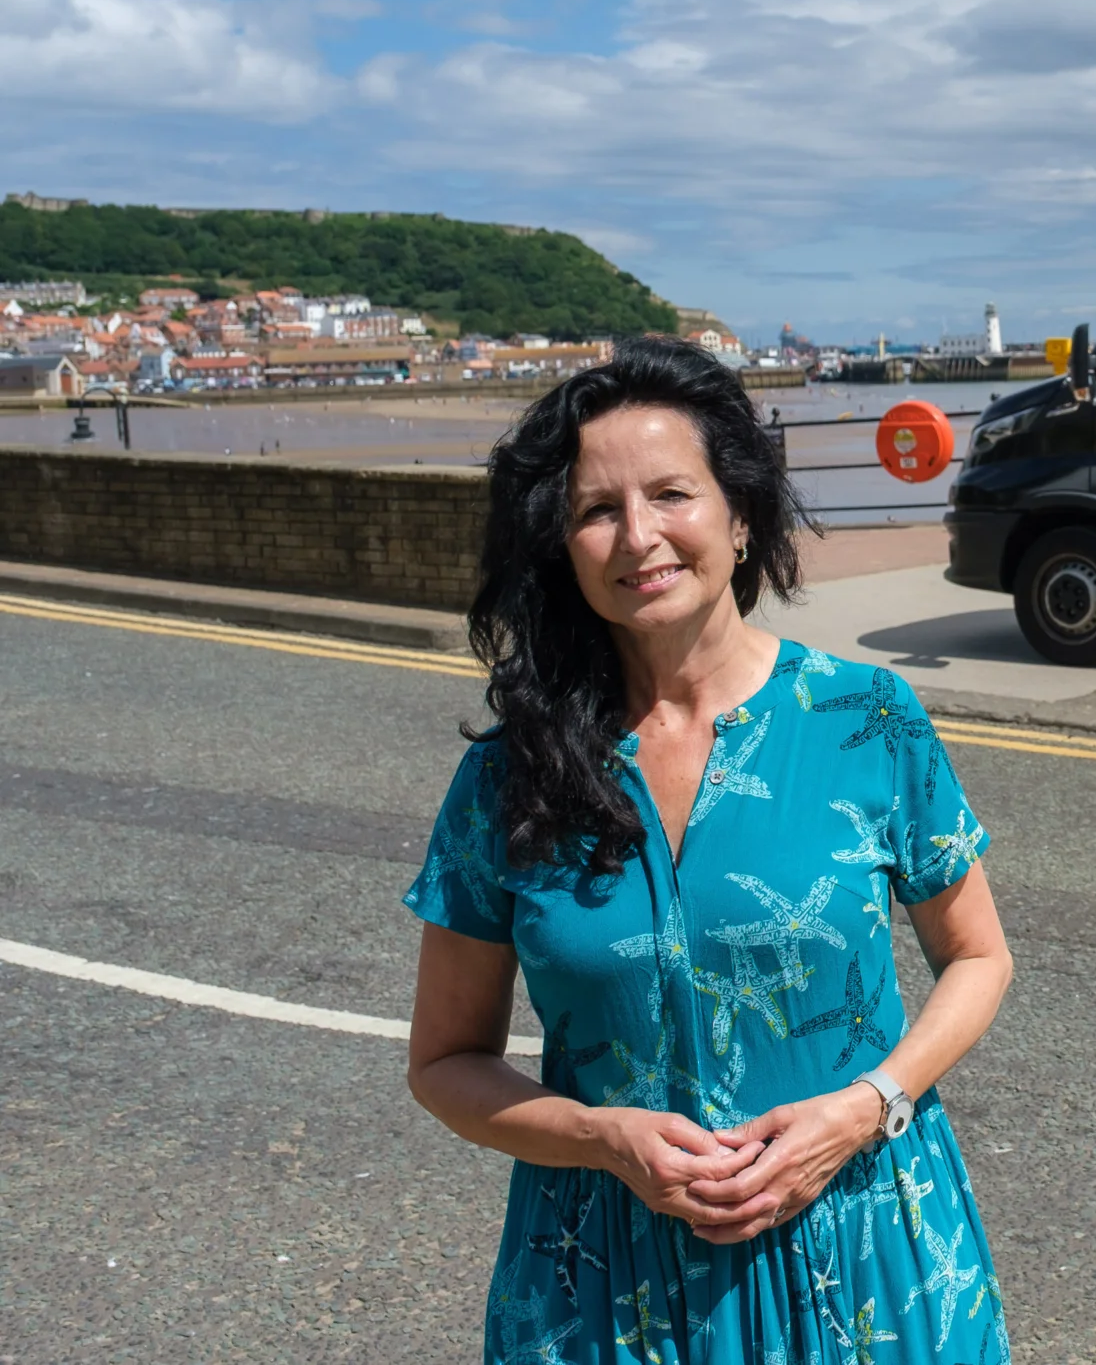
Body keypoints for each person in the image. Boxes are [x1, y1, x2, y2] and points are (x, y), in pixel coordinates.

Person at [405, 335, 1013, 1363]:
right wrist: (604, 1138)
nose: (637, 535)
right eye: (597, 510)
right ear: (562, 545)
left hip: (864, 1242)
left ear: (739, 515)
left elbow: (977, 954)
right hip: (603, 1280)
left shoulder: (866, 717)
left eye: (671, 494)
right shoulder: (512, 775)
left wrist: (866, 1107)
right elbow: (444, 1062)